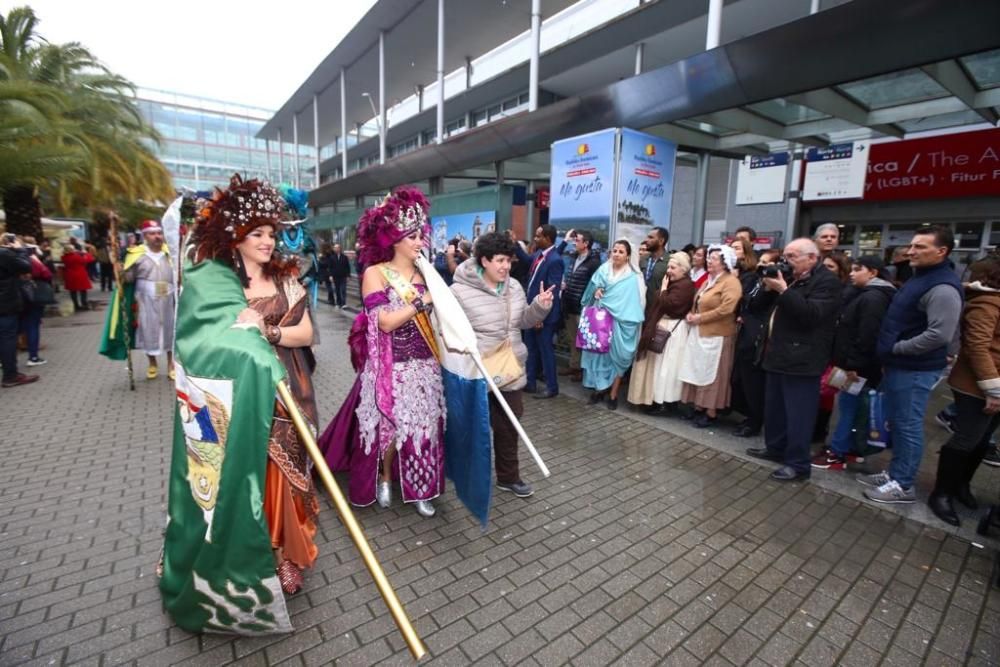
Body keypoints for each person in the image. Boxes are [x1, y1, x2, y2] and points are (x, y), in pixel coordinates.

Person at [321, 186, 444, 518]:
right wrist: (421, 302)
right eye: (412, 236)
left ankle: (422, 487)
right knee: (389, 429)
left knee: (423, 428)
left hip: (424, 363)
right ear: (394, 239)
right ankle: (386, 476)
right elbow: (385, 322)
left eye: (422, 235)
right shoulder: (375, 273)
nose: (420, 241)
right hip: (392, 365)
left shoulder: (425, 274)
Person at [859, 225, 962, 504]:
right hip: (901, 365)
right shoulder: (921, 278)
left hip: (915, 368)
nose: (911, 251)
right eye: (912, 245)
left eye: (920, 247)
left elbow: (939, 334)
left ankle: (903, 484)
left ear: (942, 251)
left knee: (908, 425)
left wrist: (897, 349)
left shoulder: (942, 287)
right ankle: (895, 473)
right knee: (900, 422)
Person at [450, 232, 554, 498]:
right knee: (475, 430)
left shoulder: (514, 287)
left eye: (508, 260)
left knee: (509, 427)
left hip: (509, 369)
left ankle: (509, 478)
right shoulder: (458, 292)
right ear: (484, 260)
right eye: (499, 260)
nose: (505, 266)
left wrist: (540, 308)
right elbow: (448, 334)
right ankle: (470, 477)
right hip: (477, 373)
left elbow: (522, 322)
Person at [746, 238, 843, 481]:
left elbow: (811, 315)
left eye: (792, 257)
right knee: (775, 409)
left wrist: (783, 290)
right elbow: (755, 307)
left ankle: (798, 464)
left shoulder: (827, 283)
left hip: (802, 359)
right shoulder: (789, 277)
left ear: (812, 258)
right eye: (785, 256)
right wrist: (768, 288)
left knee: (798, 414)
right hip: (777, 354)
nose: (785, 262)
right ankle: (776, 448)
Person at [926, 256, 1000, 526]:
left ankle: (960, 486)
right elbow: (978, 347)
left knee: (983, 440)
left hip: (992, 384)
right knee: (966, 439)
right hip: (977, 386)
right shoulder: (987, 303)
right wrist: (994, 389)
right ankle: (941, 493)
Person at [812, 256, 895, 470]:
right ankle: (846, 449)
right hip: (857, 364)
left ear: (873, 272)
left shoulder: (873, 298)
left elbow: (867, 336)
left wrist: (853, 366)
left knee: (849, 409)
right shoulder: (865, 294)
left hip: (858, 369)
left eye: (858, 269)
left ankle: (838, 453)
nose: (851, 273)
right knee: (852, 408)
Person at [678, 245, 742, 427]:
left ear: (724, 262)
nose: (708, 260)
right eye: (709, 257)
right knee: (698, 370)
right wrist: (692, 314)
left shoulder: (731, 282)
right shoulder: (710, 280)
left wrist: (700, 317)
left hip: (718, 334)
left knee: (714, 374)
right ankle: (699, 406)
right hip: (700, 332)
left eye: (713, 258)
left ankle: (711, 411)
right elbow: (698, 301)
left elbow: (726, 309)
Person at [627, 251, 696, 413]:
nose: (669, 271)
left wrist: (663, 290)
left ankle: (663, 402)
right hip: (664, 327)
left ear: (683, 269)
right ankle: (655, 399)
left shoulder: (685, 286)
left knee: (666, 370)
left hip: (672, 332)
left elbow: (669, 304)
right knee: (658, 369)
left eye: (673, 267)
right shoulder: (675, 283)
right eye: (669, 267)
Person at [581, 240, 645, 410]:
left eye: (621, 251)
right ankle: (598, 390)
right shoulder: (602, 270)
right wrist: (595, 291)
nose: (616, 254)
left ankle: (613, 394)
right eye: (614, 250)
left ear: (628, 256)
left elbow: (635, 303)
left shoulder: (633, 278)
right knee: (598, 357)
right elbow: (589, 291)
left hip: (621, 324)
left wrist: (622, 316)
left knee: (619, 358)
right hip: (601, 322)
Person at [731, 248, 781, 437]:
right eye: (761, 262)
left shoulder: (774, 287)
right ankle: (749, 416)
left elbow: (762, 307)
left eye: (767, 264)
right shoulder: (754, 280)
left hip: (758, 339)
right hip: (745, 335)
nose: (762, 266)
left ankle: (755, 421)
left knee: (755, 383)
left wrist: (770, 285)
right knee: (744, 380)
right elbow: (745, 301)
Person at [123, 220, 177, 380]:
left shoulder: (170, 254)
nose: (157, 237)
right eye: (153, 234)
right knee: (148, 330)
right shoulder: (136, 255)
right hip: (145, 299)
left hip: (168, 298)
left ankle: (171, 365)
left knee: (170, 330)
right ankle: (152, 363)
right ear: (145, 236)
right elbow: (129, 279)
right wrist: (121, 271)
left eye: (159, 233)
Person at [514, 224, 563, 399]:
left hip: (544, 316)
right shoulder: (538, 256)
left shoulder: (555, 260)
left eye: (538, 236)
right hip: (532, 312)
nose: (535, 239)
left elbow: (552, 291)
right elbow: (527, 261)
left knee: (545, 351)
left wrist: (541, 315)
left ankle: (552, 387)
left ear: (548, 238)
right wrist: (514, 244)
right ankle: (530, 383)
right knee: (530, 349)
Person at [558, 229, 601, 383]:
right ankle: (574, 366)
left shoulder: (594, 262)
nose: (574, 243)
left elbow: (595, 285)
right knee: (573, 338)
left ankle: (582, 370)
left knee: (583, 340)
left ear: (586, 243)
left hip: (582, 308)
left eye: (577, 240)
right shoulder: (573, 257)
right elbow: (557, 255)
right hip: (568, 304)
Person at [0, 234, 38, 388]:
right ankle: (10, 375)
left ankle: (10, 373)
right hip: (5, 304)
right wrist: (20, 250)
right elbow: (26, 267)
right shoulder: (4, 254)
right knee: (8, 338)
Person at [19, 248, 53, 367]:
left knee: (9, 331)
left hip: (10, 299)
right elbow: (47, 274)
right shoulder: (27, 259)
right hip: (30, 297)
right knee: (32, 326)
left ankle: (4, 359)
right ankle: (33, 356)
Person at [640, 227, 669, 310]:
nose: (646, 240)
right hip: (640, 307)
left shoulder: (670, 262)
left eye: (651, 237)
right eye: (647, 237)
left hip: (657, 309)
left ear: (661, 241)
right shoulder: (643, 259)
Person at [61, 241, 93, 311]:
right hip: (80, 274)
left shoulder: (64, 257)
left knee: (73, 291)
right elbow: (89, 260)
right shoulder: (76, 256)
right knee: (83, 290)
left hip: (70, 275)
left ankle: (76, 305)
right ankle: (84, 304)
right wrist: (86, 253)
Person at [323, 242, 351, 308]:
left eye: (338, 247)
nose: (336, 249)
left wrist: (348, 275)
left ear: (340, 248)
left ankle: (343, 303)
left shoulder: (344, 257)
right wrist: (330, 276)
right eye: (335, 248)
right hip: (335, 276)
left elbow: (347, 267)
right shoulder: (332, 258)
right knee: (337, 290)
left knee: (343, 289)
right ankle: (338, 303)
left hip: (343, 276)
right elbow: (330, 267)